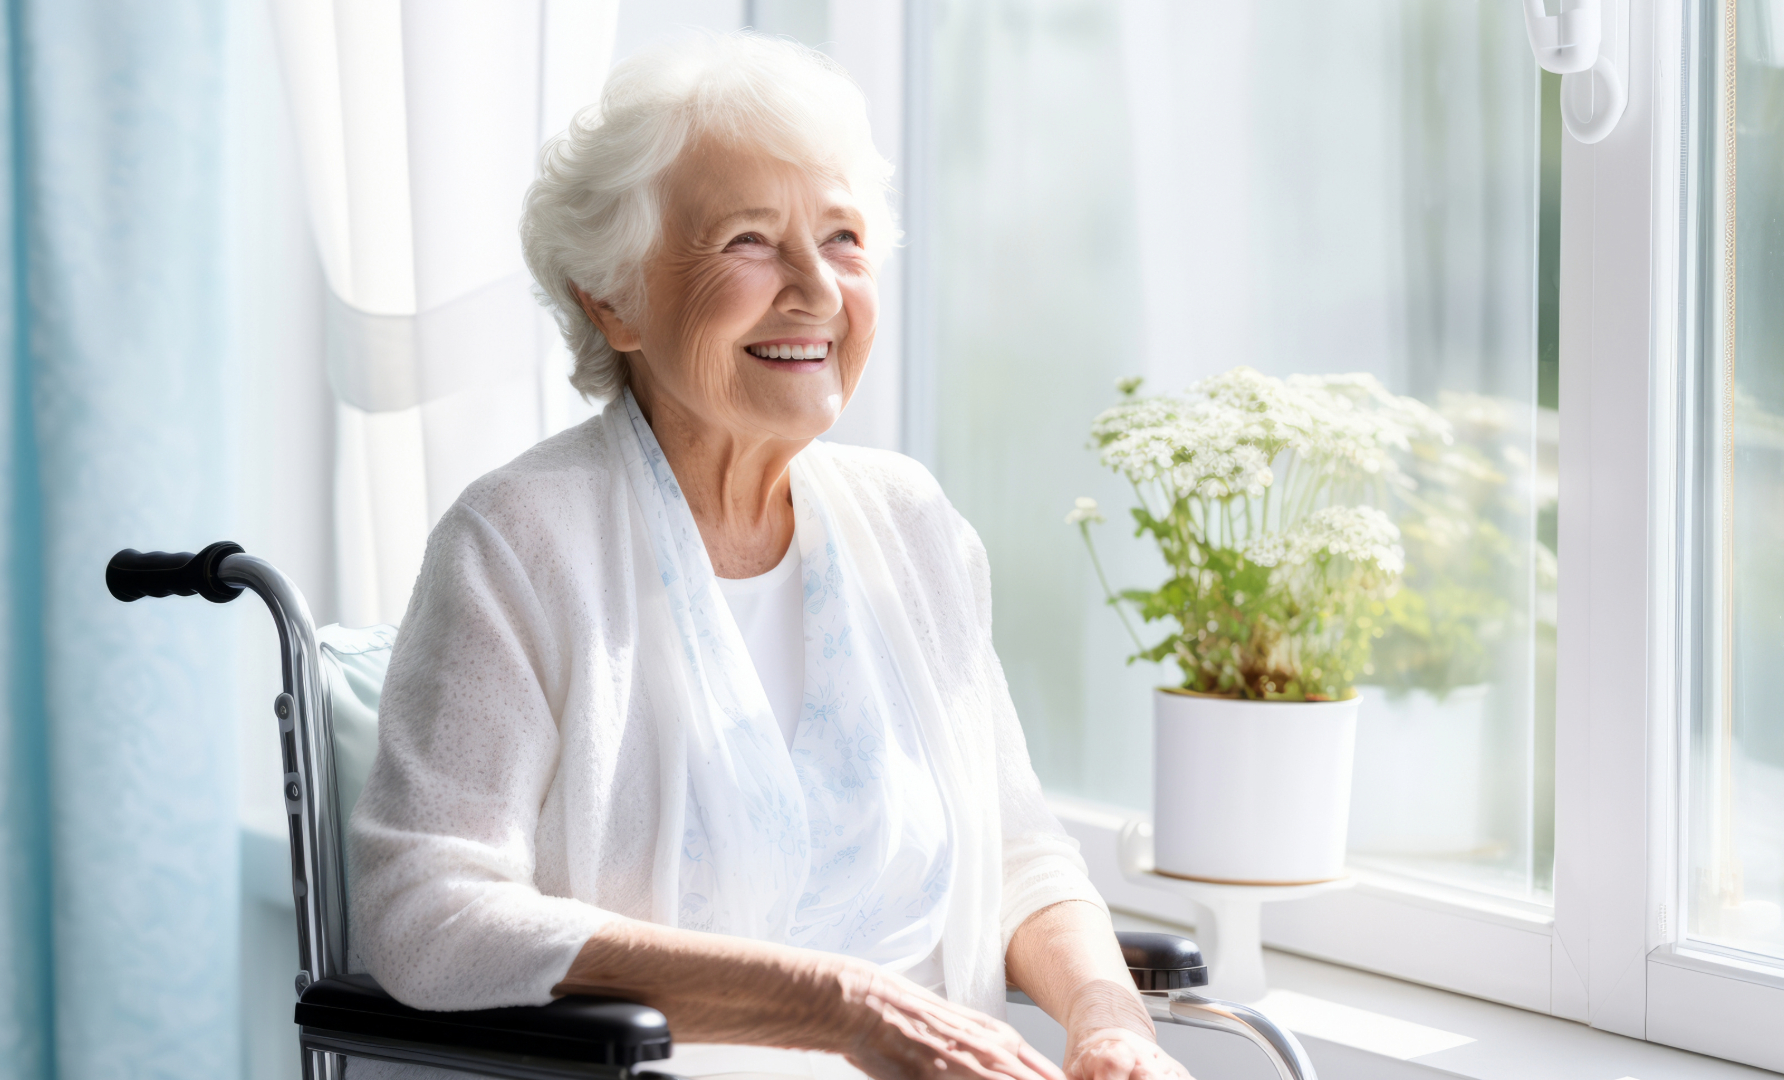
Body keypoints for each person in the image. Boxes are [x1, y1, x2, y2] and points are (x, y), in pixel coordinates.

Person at [349, 31, 1194, 1080]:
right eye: (750, 239)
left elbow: (1023, 855)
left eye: (842, 237)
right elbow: (423, 911)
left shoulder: (914, 524)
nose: (818, 290)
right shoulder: (518, 543)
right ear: (611, 299)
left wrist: (1112, 1023)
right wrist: (835, 1004)